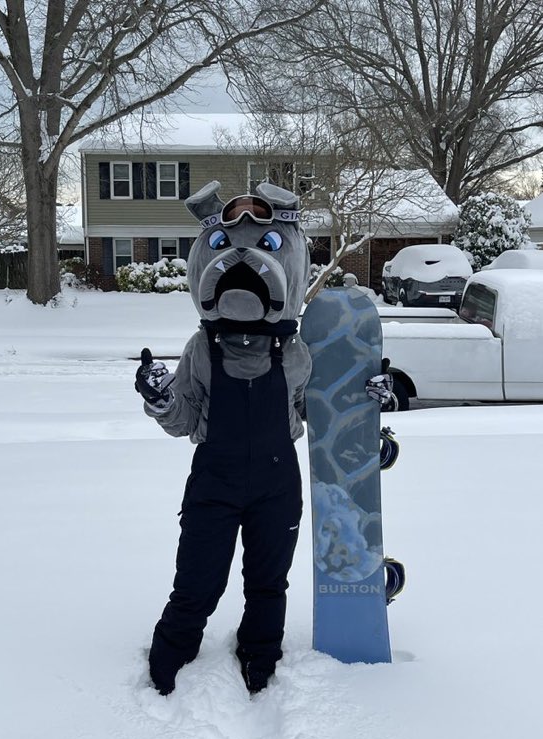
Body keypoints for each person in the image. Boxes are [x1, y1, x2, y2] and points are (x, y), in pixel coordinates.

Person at [135, 180, 393, 696]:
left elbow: (321, 418)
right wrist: (161, 399)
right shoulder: (201, 349)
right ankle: (175, 646)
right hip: (213, 481)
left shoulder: (296, 354)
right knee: (196, 581)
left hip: (277, 486)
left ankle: (260, 651)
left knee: (268, 583)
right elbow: (186, 420)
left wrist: (366, 406)